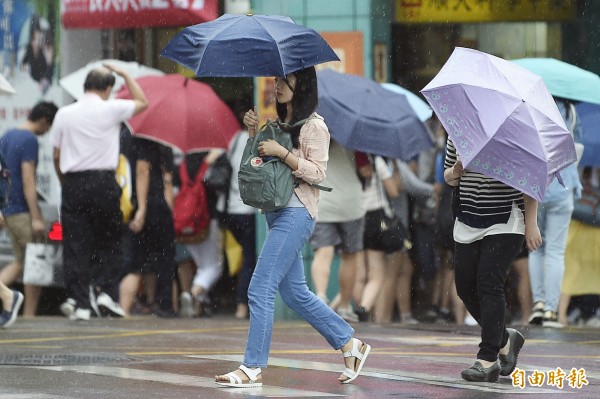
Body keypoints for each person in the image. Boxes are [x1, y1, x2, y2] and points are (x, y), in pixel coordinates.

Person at [215, 67, 371, 387]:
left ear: (303, 86)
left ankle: (252, 367)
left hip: (297, 212)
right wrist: (254, 134)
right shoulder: (278, 125)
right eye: (276, 80)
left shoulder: (315, 126)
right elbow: (260, 166)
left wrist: (282, 152)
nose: (279, 86)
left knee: (260, 288)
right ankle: (350, 344)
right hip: (276, 211)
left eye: (287, 80)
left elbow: (317, 173)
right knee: (295, 293)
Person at [50, 65, 148, 321]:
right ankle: (106, 292)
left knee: (75, 244)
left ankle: (81, 303)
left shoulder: (64, 113)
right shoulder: (111, 108)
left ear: (84, 87)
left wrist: (66, 182)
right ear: (107, 90)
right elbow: (142, 102)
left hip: (73, 182)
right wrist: (127, 76)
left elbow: (57, 155)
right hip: (104, 181)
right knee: (110, 240)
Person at [444, 138, 541, 382]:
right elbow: (448, 177)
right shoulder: (458, 128)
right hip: (467, 217)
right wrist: (455, 170)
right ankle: (505, 340)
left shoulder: (513, 129)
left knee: (489, 283)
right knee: (465, 287)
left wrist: (532, 223)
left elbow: (530, 178)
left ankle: (487, 359)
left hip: (506, 218)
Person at [0, 101, 58, 316]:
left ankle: (16, 304)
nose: (47, 132)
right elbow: (28, 179)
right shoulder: (29, 140)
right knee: (35, 262)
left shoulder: (7, 135)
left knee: (21, 262)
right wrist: (36, 216)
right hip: (22, 210)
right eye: (49, 126)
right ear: (44, 120)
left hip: (7, 209)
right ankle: (29, 314)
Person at [528, 99, 582, 328]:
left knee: (536, 248)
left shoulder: (532, 110)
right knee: (556, 252)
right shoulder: (570, 113)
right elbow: (576, 149)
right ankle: (551, 310)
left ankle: (538, 304)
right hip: (563, 188)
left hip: (536, 189)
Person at [309, 142, 366, 323]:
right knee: (350, 255)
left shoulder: (312, 136)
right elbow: (366, 171)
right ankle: (344, 306)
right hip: (350, 203)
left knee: (323, 252)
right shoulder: (353, 138)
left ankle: (320, 298)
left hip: (322, 200)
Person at [119, 137, 177, 318]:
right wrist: (144, 210)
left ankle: (124, 309)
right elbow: (143, 171)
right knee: (163, 260)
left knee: (138, 262)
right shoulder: (151, 143)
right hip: (152, 207)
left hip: (135, 204)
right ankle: (164, 306)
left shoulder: (125, 139)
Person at [216, 127, 257, 320]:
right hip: (248, 210)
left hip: (230, 209)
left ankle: (238, 301)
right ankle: (242, 305)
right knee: (251, 259)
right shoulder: (260, 140)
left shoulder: (234, 138)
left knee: (244, 259)